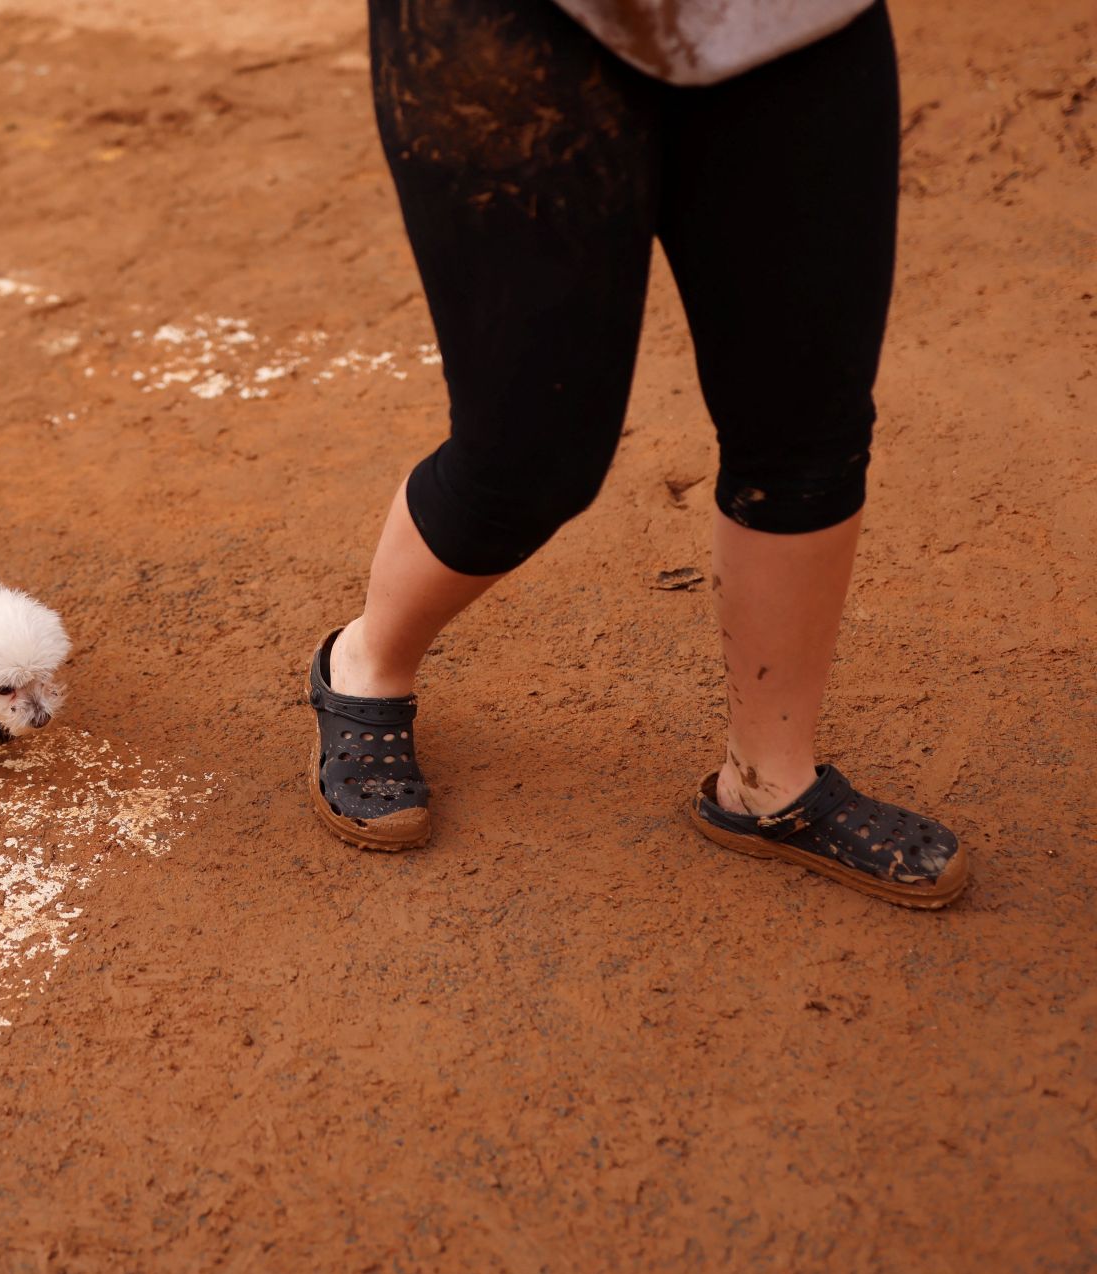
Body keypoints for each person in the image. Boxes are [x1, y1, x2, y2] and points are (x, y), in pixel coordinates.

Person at [304, 0, 969, 907]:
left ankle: (769, 784)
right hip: (513, 26)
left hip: (790, 22)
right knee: (529, 459)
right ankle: (367, 661)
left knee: (807, 428)